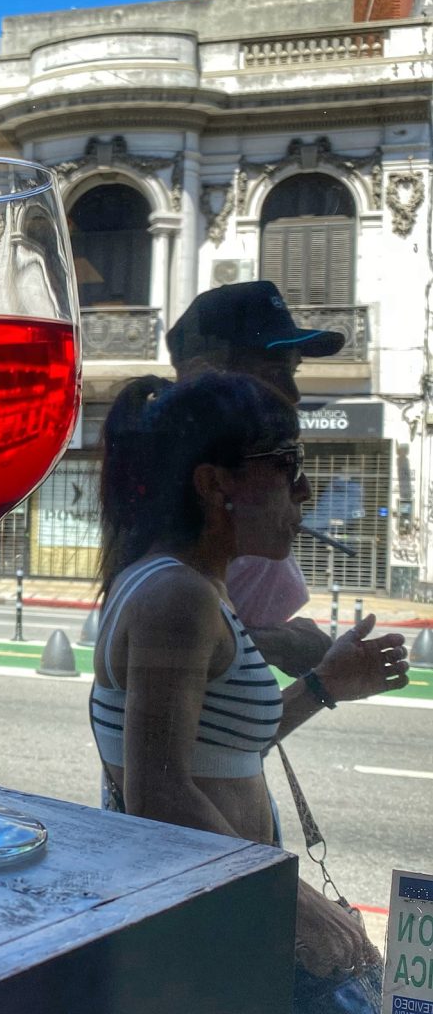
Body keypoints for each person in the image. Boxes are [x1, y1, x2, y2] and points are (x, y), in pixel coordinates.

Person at [91, 371, 409, 1009]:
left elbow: (215, 754)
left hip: (213, 915)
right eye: (286, 466)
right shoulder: (176, 596)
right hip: (207, 930)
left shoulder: (185, 585)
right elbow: (160, 789)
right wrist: (292, 903)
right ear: (214, 485)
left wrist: (323, 685)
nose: (306, 492)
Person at [166, 280, 345, 676]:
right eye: (274, 370)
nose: (294, 393)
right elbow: (167, 634)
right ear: (201, 376)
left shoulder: (237, 497)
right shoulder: (180, 509)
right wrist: (278, 646)